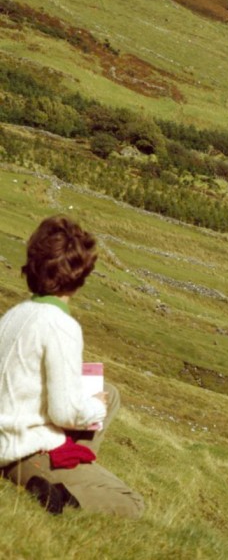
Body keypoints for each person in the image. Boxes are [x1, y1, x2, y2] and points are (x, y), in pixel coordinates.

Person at [0, 216, 144, 518]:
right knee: (131, 502)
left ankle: (79, 466)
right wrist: (93, 408)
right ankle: (59, 493)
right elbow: (64, 413)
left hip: (8, 429)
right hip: (19, 449)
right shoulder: (60, 325)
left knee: (110, 392)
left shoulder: (15, 315)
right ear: (80, 276)